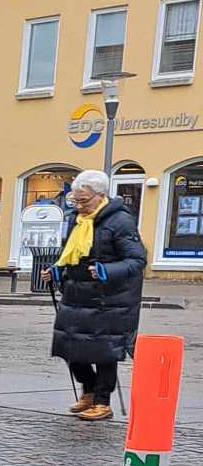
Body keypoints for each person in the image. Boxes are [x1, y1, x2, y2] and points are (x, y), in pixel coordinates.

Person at [50, 169, 146, 421]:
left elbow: (137, 260)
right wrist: (58, 270)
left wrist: (106, 270)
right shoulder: (78, 219)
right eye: (75, 200)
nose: (79, 206)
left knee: (104, 350)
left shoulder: (120, 221)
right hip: (76, 294)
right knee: (70, 346)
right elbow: (71, 254)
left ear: (100, 195)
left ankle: (103, 402)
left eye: (84, 200)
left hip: (109, 298)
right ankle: (89, 390)